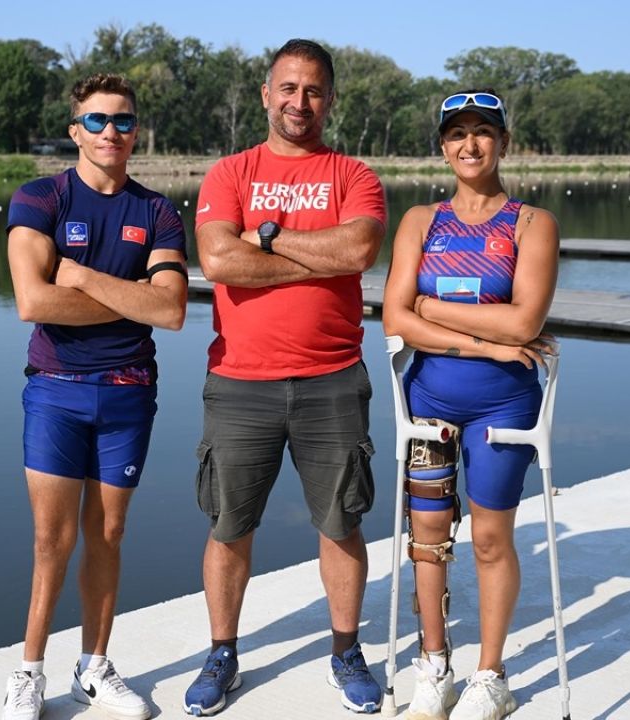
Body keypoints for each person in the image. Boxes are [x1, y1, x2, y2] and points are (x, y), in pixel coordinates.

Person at [182, 39, 387, 716]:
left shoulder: (354, 175)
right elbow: (218, 262)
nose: (301, 102)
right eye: (289, 89)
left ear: (330, 99)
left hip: (333, 379)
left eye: (315, 90)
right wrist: (311, 253)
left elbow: (357, 247)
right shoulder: (229, 174)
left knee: (340, 524)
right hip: (240, 383)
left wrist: (266, 237)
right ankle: (222, 654)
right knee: (229, 527)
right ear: (268, 93)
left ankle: (346, 650)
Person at [1, 73, 188, 720]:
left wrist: (80, 275)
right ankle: (27, 671)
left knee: (108, 532)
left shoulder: (158, 211)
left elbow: (170, 312)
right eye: (99, 121)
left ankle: (95, 665)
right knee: (51, 540)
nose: (113, 132)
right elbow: (33, 302)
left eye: (125, 122)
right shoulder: (40, 197)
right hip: (56, 391)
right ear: (76, 130)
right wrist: (126, 296)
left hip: (129, 392)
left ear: (138, 132)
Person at [381, 89, 559, 720]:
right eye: (457, 135)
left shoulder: (532, 224)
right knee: (427, 538)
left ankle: (491, 675)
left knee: (488, 538)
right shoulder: (419, 223)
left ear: (504, 143)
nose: (470, 145)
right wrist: (483, 340)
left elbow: (527, 320)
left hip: (505, 407)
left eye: (483, 133)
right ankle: (434, 664)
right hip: (428, 399)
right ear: (443, 147)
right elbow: (392, 320)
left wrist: (430, 310)